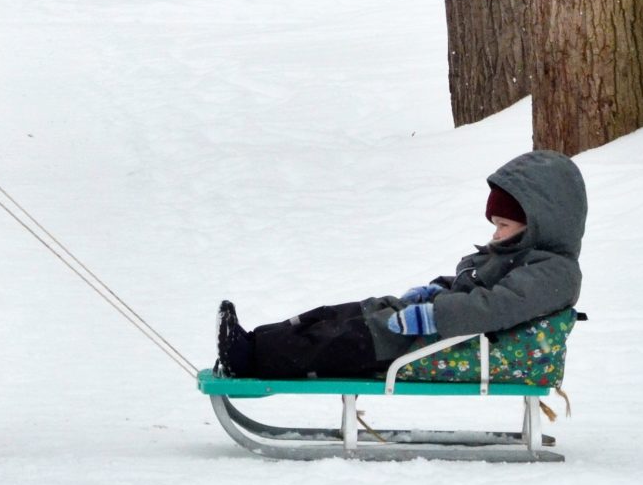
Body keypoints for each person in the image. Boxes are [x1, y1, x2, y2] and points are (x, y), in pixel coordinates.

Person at [214, 151, 585, 380]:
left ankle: (253, 360)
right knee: (344, 316)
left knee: (345, 340)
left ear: (541, 222)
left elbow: (494, 307)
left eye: (504, 225)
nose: (497, 235)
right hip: (437, 332)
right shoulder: (517, 254)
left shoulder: (553, 272)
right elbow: (475, 287)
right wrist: (438, 289)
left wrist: (434, 316)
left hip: (447, 343)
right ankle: (253, 342)